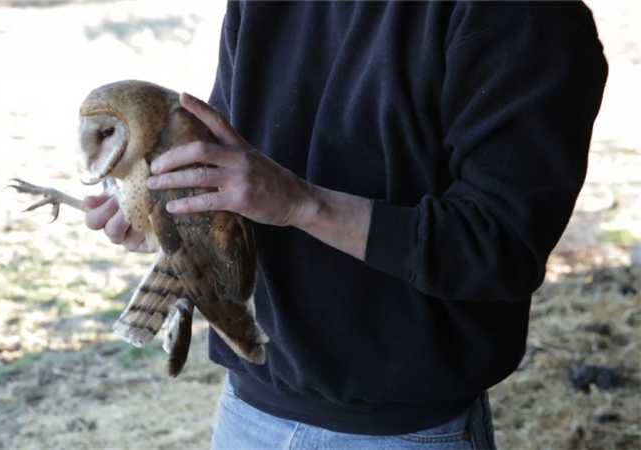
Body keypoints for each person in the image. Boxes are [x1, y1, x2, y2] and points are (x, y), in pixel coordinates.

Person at [85, 2, 608, 448]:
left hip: (405, 432)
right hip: (247, 408)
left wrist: (302, 204)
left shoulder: (525, 15)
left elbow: (499, 248)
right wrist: (168, 219)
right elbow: (236, 176)